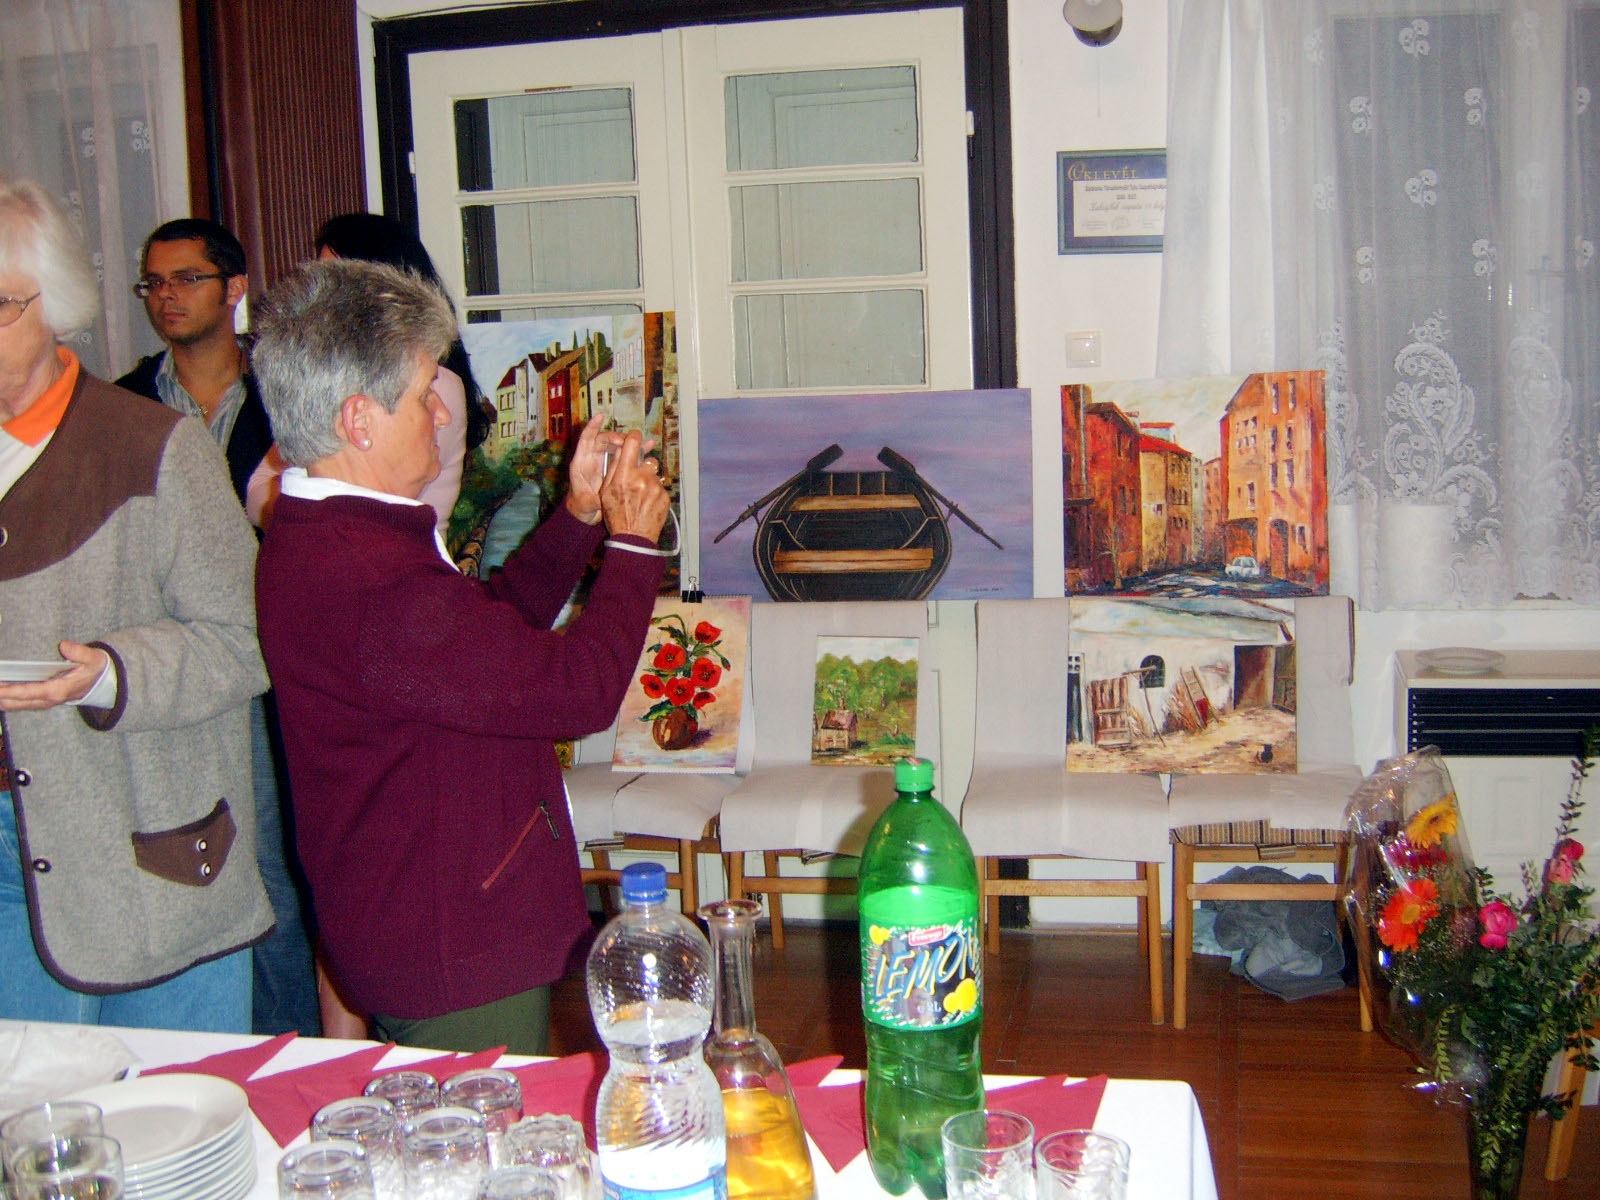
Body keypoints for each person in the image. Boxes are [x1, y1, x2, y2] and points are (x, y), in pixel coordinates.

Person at [252, 259, 670, 1054]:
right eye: (423, 397)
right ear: (359, 419)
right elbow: (577, 691)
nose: (443, 417)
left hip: (410, 918)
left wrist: (578, 516)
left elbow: (481, 641)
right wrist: (633, 547)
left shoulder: (324, 534)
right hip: (451, 946)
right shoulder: (371, 577)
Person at [0, 177, 271, 1030]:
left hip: (146, 854)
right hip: (10, 855)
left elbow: (243, 639)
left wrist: (111, 674)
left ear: (56, 306)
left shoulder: (154, 446)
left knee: (173, 1104)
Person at [116, 217, 320, 1039]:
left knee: (271, 872)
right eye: (154, 282)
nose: (166, 296)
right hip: (162, 670)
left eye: (187, 278)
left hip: (271, 663)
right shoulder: (122, 406)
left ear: (235, 289)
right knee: (176, 867)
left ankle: (292, 1049)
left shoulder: (286, 395)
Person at [246, 212, 488, 537]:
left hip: (398, 556)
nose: (323, 297)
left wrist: (304, 497)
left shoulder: (428, 382)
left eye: (338, 279)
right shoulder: (343, 377)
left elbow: (368, 509)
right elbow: (258, 489)